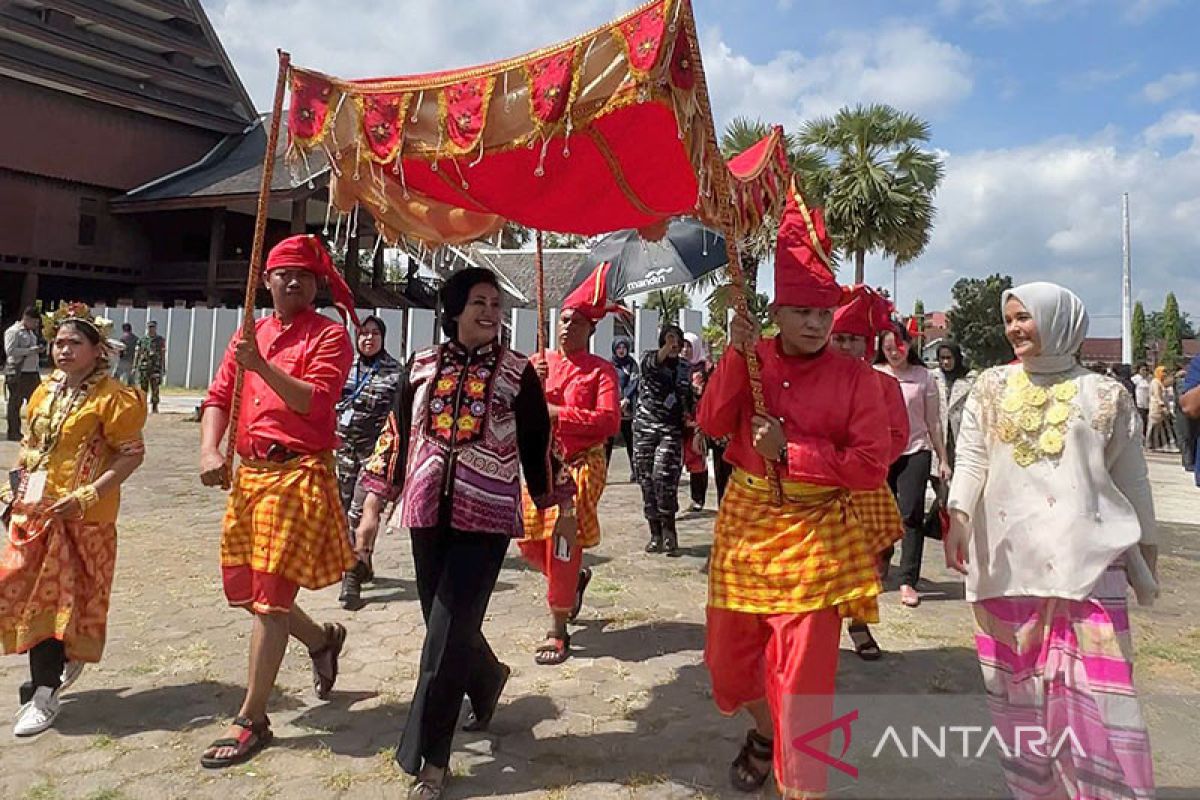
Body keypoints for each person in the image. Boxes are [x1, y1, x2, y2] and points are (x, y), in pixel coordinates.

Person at [698, 185, 891, 797]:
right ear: (777, 311)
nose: (815, 324)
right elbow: (709, 424)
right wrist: (733, 352)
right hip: (746, 524)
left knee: (804, 678)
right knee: (727, 666)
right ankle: (764, 732)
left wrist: (796, 452)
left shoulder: (856, 379)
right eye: (802, 311)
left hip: (814, 532)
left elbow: (869, 466)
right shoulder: (752, 359)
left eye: (823, 313)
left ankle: (802, 783)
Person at [354, 268, 575, 800]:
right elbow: (395, 438)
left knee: (446, 637)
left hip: (488, 515)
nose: (490, 312)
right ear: (453, 309)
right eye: (479, 301)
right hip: (427, 511)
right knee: (442, 624)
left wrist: (563, 504)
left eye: (497, 304)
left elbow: (539, 442)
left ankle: (430, 758)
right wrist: (370, 511)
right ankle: (486, 678)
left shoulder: (518, 372)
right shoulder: (421, 365)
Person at [945, 281, 1159, 800]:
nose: (1015, 328)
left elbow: (1132, 480)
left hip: (1088, 567)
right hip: (1006, 562)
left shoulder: (1106, 394)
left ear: (1060, 321)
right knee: (1017, 694)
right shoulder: (990, 387)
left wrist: (1145, 556)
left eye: (1026, 318)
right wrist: (958, 516)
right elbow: (972, 457)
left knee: (1102, 695)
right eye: (1011, 319)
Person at [197, 235, 357, 769]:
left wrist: (261, 367)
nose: (293, 282)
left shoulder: (330, 337)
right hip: (248, 479)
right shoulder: (250, 333)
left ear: (317, 286)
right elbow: (219, 398)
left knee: (268, 600)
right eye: (283, 273)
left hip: (296, 476)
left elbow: (314, 401)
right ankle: (320, 639)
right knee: (243, 591)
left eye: (304, 276)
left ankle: (252, 718)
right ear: (265, 280)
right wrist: (208, 449)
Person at [0, 303, 146, 736]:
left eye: (74, 343)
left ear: (97, 350)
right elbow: (31, 447)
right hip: (36, 512)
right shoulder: (45, 391)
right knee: (28, 592)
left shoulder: (113, 398)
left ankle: (50, 682)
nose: (63, 350)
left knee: (71, 601)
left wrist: (88, 494)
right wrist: (12, 490)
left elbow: (131, 454)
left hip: (86, 518)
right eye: (58, 342)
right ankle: (49, 682)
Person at [519, 266, 621, 665]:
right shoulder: (538, 361)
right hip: (541, 465)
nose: (566, 328)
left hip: (581, 465)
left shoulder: (602, 370)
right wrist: (531, 387)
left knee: (562, 536)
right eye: (562, 320)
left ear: (590, 330)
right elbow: (510, 411)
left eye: (576, 322)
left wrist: (558, 412)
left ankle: (558, 628)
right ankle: (571, 581)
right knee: (530, 543)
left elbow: (609, 421)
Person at [828, 284, 909, 661]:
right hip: (821, 485)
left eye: (854, 339)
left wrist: (863, 463)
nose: (845, 346)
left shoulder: (886, 385)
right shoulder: (813, 383)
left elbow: (897, 436)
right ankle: (823, 625)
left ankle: (858, 622)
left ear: (868, 344)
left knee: (876, 554)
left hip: (867, 483)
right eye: (839, 338)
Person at [875, 325, 950, 608]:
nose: (894, 353)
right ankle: (881, 559)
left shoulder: (924, 378)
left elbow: (933, 422)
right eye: (888, 348)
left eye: (899, 346)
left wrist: (943, 458)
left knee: (910, 514)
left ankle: (908, 579)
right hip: (880, 452)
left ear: (910, 345)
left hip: (915, 451)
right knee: (879, 513)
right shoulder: (875, 374)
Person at [334, 314, 403, 610]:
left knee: (359, 512)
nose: (368, 338)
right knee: (342, 509)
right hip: (343, 451)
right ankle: (365, 562)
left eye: (375, 333)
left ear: (383, 338)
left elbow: (402, 416)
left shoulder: (395, 372)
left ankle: (350, 576)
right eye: (363, 333)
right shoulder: (343, 366)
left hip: (376, 453)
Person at [634, 324, 693, 556]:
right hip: (645, 429)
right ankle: (655, 534)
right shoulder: (648, 358)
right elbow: (653, 365)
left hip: (670, 430)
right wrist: (666, 348)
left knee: (664, 478)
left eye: (677, 339)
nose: (674, 344)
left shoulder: (684, 368)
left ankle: (670, 532)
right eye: (669, 339)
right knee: (646, 481)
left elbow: (687, 397)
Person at [932, 341, 977, 469]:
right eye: (942, 358)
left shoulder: (970, 378)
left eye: (949, 358)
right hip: (939, 434)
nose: (945, 362)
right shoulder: (932, 378)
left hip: (962, 433)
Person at [682, 332, 712, 513]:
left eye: (689, 347)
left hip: (697, 421)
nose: (685, 350)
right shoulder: (677, 368)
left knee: (697, 460)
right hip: (681, 420)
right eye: (683, 346)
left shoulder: (705, 369)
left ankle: (698, 498)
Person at [5, 307, 44, 441]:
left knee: (37, 403)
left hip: (32, 372)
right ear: (27, 319)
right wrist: (31, 350)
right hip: (19, 373)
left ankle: (36, 432)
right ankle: (14, 432)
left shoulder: (31, 333)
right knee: (15, 404)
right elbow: (10, 351)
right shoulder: (13, 332)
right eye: (34, 322)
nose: (36, 325)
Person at [606, 336, 639, 481]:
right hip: (612, 407)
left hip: (627, 409)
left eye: (624, 348)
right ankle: (603, 472)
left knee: (630, 440)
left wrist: (626, 398)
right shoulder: (609, 364)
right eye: (618, 348)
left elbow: (634, 381)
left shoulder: (632, 364)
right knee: (608, 443)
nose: (621, 350)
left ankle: (635, 472)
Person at [133, 321, 166, 414]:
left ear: (155, 328)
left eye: (153, 327)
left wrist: (163, 367)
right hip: (144, 367)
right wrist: (134, 366)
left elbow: (163, 354)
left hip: (155, 367)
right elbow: (137, 353)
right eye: (150, 327)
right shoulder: (142, 340)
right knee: (143, 389)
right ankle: (143, 407)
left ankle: (155, 406)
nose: (151, 329)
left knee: (155, 388)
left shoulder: (160, 340)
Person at [1147, 365, 1177, 452]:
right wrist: (1162, 405)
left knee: (1160, 428)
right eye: (1163, 372)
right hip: (1156, 408)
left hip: (1161, 408)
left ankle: (1158, 445)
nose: (1164, 374)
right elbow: (1157, 396)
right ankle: (1149, 445)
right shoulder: (1155, 382)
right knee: (1153, 427)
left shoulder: (1160, 382)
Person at [1132, 362, 1151, 441]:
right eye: (1143, 370)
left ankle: (1145, 439)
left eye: (1146, 370)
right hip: (1139, 404)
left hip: (1147, 404)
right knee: (1140, 422)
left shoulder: (1148, 379)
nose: (1144, 371)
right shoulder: (1135, 379)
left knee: (1146, 423)